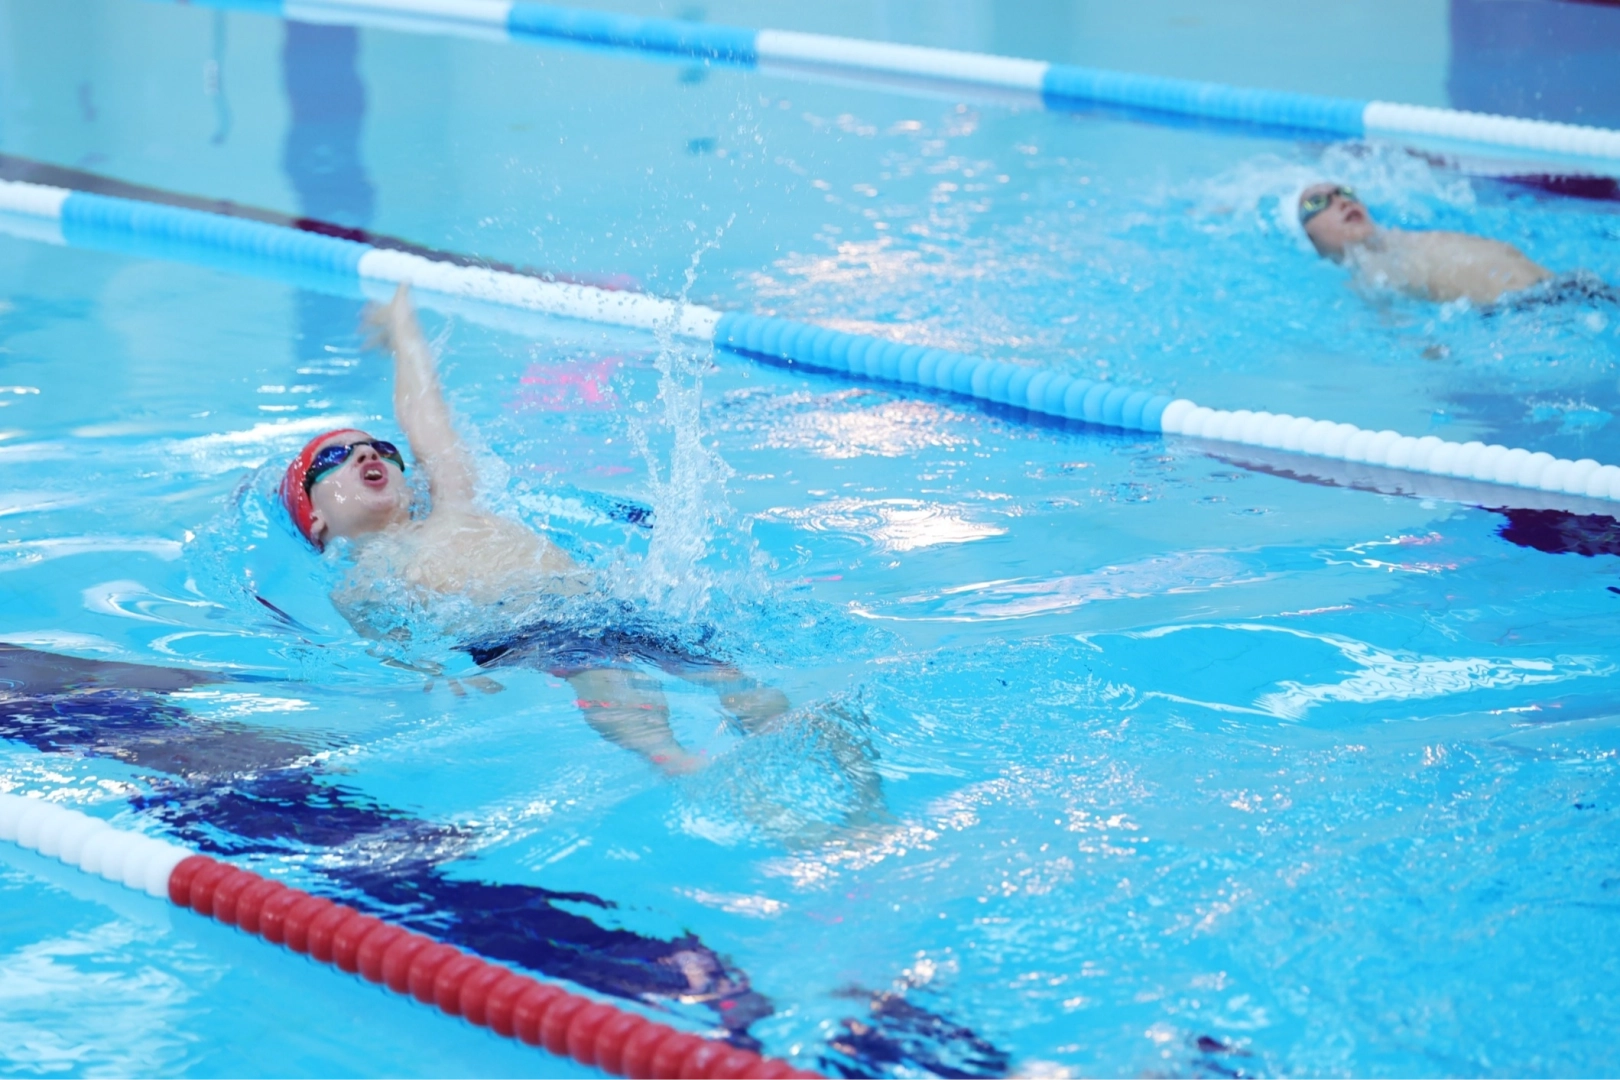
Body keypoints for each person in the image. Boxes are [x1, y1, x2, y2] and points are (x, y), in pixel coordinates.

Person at [279, 286, 885, 837]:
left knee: (735, 682)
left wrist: (402, 327)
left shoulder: (454, 502)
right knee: (629, 704)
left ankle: (853, 793)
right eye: (335, 458)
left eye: (379, 448)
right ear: (316, 520)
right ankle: (724, 791)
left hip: (606, 602)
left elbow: (425, 414)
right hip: (531, 632)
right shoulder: (362, 578)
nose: (366, 455)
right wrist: (437, 673)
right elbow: (389, 641)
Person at [1292, 181, 1602, 307]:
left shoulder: (1401, 236)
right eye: (1318, 202)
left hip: (1569, 285)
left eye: (1345, 192)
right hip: (1526, 312)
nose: (1341, 201)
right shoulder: (1364, 277)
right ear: (1309, 237)